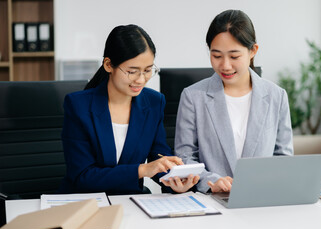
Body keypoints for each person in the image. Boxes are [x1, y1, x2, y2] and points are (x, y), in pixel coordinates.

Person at [59, 25, 199, 195]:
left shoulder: (154, 102)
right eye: (132, 72)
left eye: (148, 71)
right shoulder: (78, 105)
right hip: (85, 203)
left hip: (131, 203)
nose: (141, 80)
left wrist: (172, 180)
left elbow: (158, 158)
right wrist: (141, 170)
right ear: (109, 65)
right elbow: (83, 176)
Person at [174, 10, 293, 193]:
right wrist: (211, 181)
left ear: (253, 51)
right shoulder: (193, 96)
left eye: (234, 56)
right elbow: (185, 157)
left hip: (261, 199)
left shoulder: (276, 96)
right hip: (212, 200)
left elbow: (283, 158)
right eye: (217, 56)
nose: (225, 65)